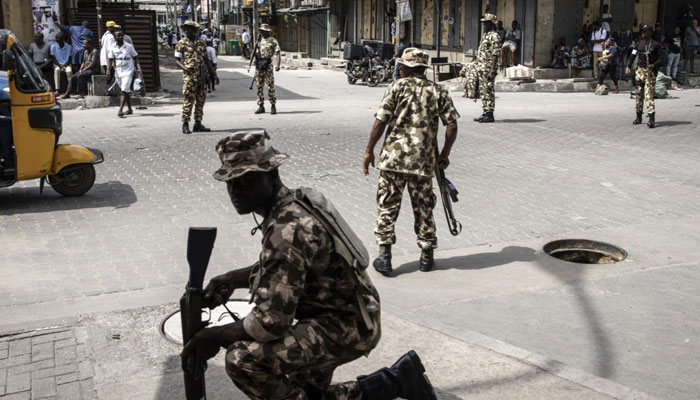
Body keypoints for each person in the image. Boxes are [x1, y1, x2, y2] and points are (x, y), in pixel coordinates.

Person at [181, 130, 439, 400]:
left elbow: (269, 323)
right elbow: (288, 268)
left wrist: (215, 336)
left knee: (244, 360)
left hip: (344, 326)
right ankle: (398, 380)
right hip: (347, 314)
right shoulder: (296, 202)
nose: (235, 190)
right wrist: (234, 278)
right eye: (230, 182)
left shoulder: (287, 228)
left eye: (246, 180)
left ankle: (391, 382)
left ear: (271, 175)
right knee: (304, 390)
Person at [363, 48, 459, 274]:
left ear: (406, 67)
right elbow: (452, 125)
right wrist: (444, 154)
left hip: (393, 161)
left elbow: (380, 122)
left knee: (387, 207)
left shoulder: (396, 87)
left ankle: (385, 259)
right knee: (424, 209)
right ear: (423, 69)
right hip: (423, 163)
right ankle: (426, 258)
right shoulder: (437, 91)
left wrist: (369, 151)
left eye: (401, 66)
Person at [175, 20, 219, 134]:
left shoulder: (201, 43)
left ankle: (198, 123)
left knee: (200, 100)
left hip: (201, 76)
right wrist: (185, 68)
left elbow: (206, 60)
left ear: (195, 30)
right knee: (188, 100)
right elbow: (177, 60)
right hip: (189, 77)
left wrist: (214, 74)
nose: (186, 31)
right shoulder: (181, 43)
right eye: (185, 29)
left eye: (189, 29)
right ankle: (185, 124)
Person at [627, 24, 663, 128]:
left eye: (646, 31)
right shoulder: (638, 44)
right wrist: (628, 66)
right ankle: (638, 117)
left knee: (648, 95)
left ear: (651, 32)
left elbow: (661, 59)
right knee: (638, 95)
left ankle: (651, 118)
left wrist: (653, 65)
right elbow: (632, 55)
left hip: (649, 72)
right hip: (639, 71)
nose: (644, 33)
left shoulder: (656, 45)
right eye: (643, 31)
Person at [108, 31, 140, 118]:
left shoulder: (129, 47)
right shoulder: (112, 47)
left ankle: (120, 110)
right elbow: (110, 59)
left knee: (124, 90)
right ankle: (130, 109)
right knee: (125, 91)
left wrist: (138, 67)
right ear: (114, 37)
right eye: (118, 36)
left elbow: (135, 57)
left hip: (128, 72)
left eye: (121, 35)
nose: (120, 37)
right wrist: (108, 70)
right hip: (118, 72)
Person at [253, 24, 281, 115]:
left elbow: (277, 53)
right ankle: (261, 106)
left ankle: (273, 105)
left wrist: (278, 64)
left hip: (268, 65)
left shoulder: (273, 40)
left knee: (270, 86)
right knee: (259, 86)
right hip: (259, 65)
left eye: (263, 31)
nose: (262, 33)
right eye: (261, 31)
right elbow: (255, 53)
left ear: (267, 31)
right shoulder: (258, 41)